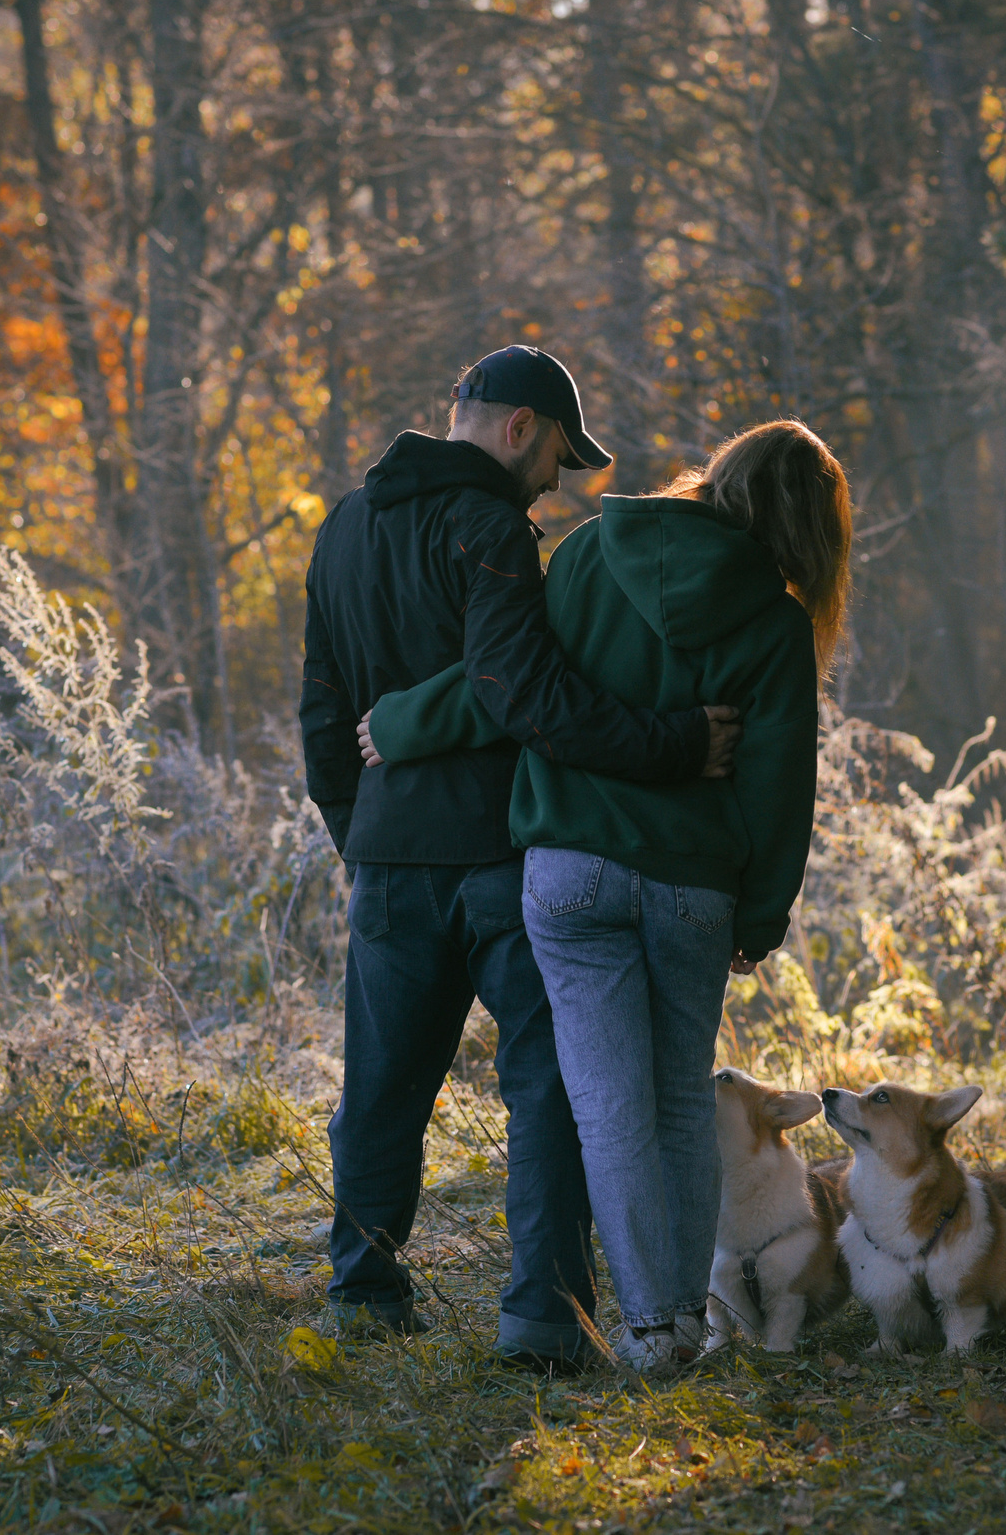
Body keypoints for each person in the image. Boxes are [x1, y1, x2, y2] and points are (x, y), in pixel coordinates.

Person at [362, 419, 852, 1376]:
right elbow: (781, 785)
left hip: (570, 872)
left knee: (609, 1110)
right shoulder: (777, 620)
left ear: (724, 475)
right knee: (676, 1103)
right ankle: (677, 1327)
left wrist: (400, 720)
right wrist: (761, 916)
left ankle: (648, 1330)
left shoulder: (593, 550)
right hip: (693, 884)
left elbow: (509, 677)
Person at [298, 344, 742, 1375]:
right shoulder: (490, 523)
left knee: (379, 1088)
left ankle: (361, 1293)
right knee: (544, 1085)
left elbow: (322, 713)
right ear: (517, 428)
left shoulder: (341, 529)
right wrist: (677, 743)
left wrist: (356, 838)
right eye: (555, 457)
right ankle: (544, 1319)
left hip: (389, 862)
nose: (554, 481)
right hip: (502, 852)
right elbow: (523, 692)